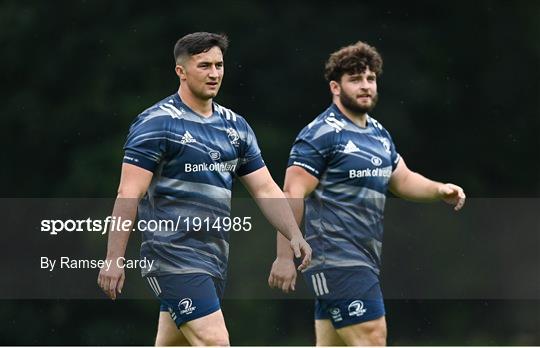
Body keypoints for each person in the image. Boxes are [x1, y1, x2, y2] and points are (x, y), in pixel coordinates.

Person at [97, 32, 312, 346]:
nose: (214, 73)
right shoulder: (156, 123)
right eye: (204, 66)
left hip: (212, 260)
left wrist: (294, 234)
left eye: (219, 65)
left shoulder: (235, 127)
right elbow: (128, 193)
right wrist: (114, 258)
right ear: (181, 72)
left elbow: (265, 189)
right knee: (215, 341)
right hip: (171, 257)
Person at [268, 41, 465, 346]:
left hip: (363, 259)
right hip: (335, 260)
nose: (365, 86)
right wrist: (283, 256)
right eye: (355, 79)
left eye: (370, 79)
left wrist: (439, 189)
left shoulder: (378, 134)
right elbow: (291, 193)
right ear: (336, 87)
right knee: (372, 337)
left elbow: (403, 179)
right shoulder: (320, 134)